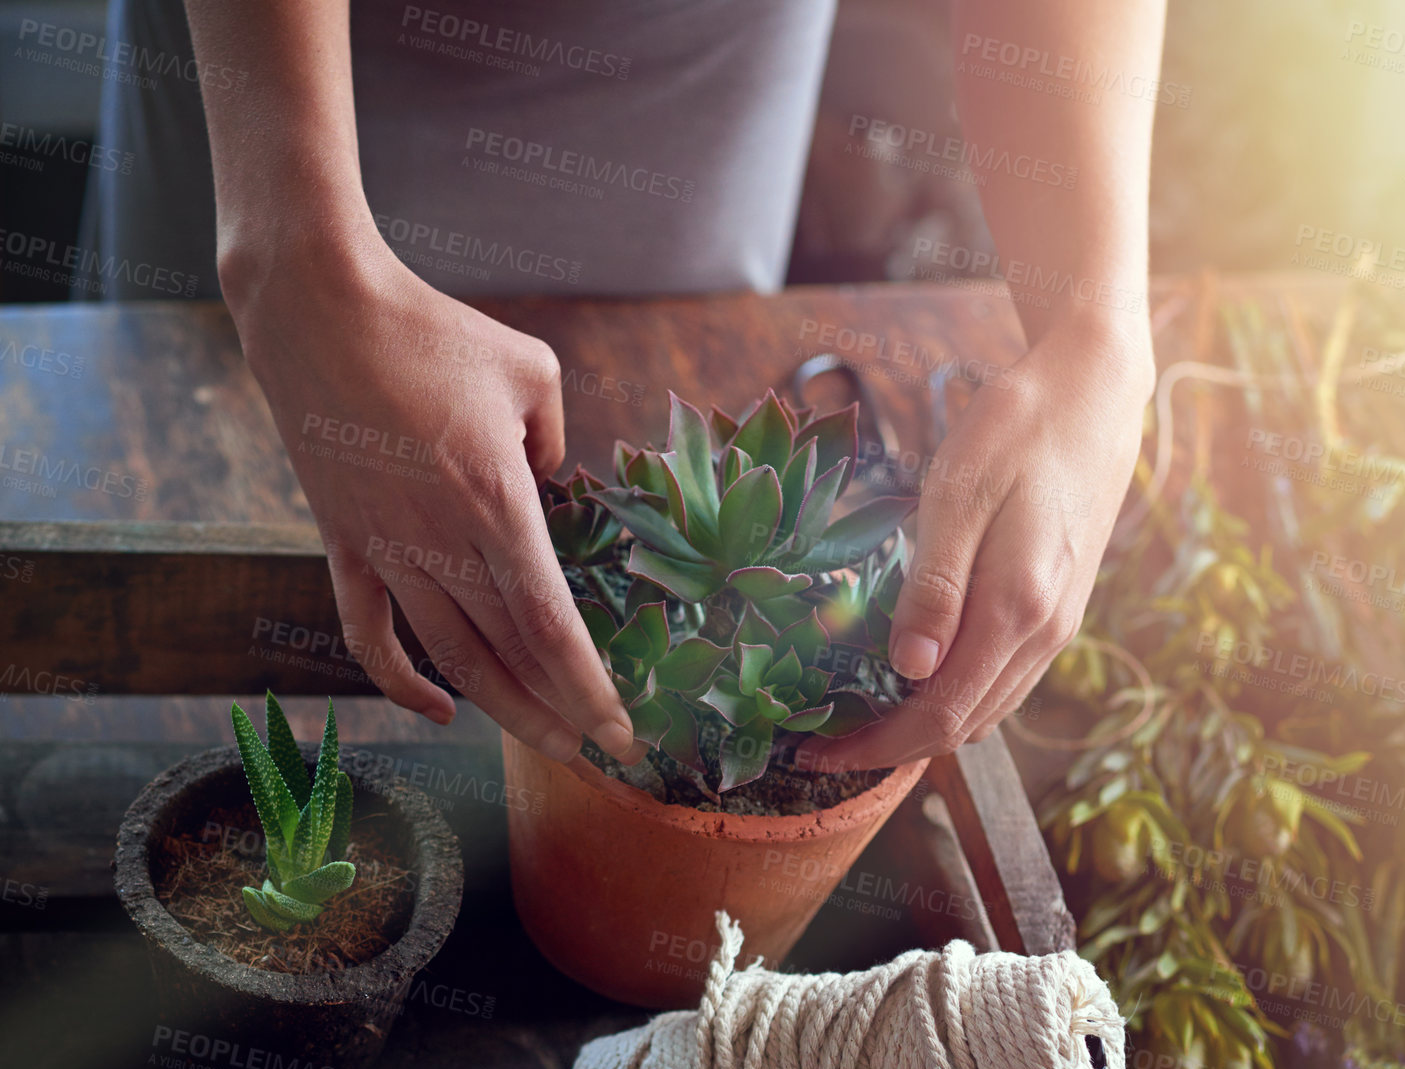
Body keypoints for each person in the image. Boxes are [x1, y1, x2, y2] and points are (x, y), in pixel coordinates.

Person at [82, 0, 1162, 771]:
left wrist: (1100, 334)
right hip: (292, 94)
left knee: (619, 488)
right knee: (154, 706)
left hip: (694, 77)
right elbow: (286, 270)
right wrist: (296, 252)